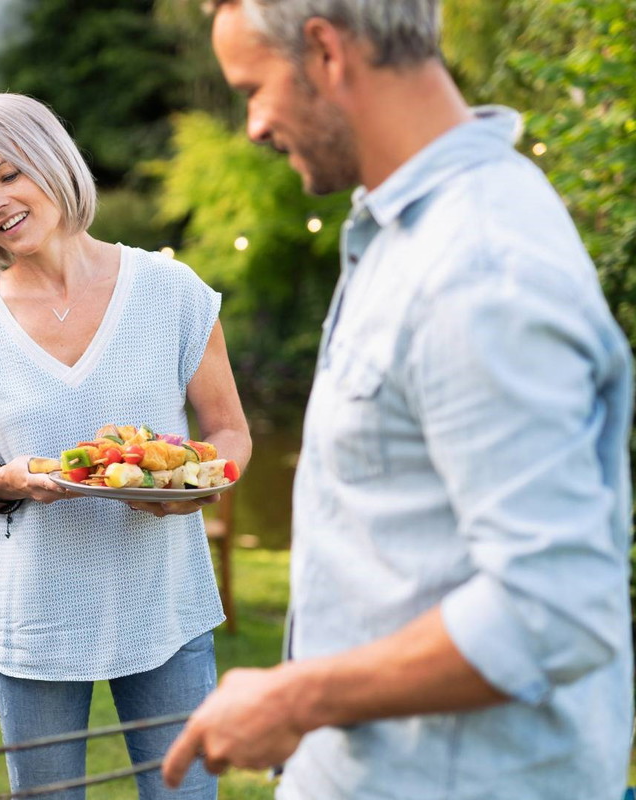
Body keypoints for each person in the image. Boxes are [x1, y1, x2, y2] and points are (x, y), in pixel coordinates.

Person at [162, 1, 634, 797]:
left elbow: (554, 606)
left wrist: (297, 694)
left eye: (253, 88)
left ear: (324, 52)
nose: (250, 125)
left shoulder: (478, 266)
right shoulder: (405, 232)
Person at [0, 92, 252, 799]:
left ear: (52, 161)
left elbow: (228, 430)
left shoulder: (172, 293)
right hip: (34, 622)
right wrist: (1, 482)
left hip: (162, 606)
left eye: (9, 174)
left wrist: (199, 486)